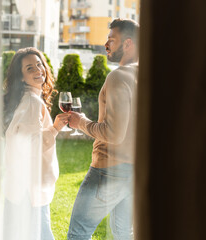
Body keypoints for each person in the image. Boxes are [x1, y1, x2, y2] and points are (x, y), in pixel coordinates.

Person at [67, 19, 140, 240]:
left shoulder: (118, 76)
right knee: (123, 234)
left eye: (111, 40)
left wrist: (81, 122)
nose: (105, 45)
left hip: (108, 169)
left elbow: (113, 133)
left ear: (128, 44)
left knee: (78, 232)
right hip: (134, 171)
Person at [2, 47, 69, 240]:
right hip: (29, 190)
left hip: (20, 187)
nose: (38, 70)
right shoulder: (32, 103)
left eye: (39, 64)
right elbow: (30, 144)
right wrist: (55, 128)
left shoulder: (27, 100)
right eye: (30, 68)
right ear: (21, 77)